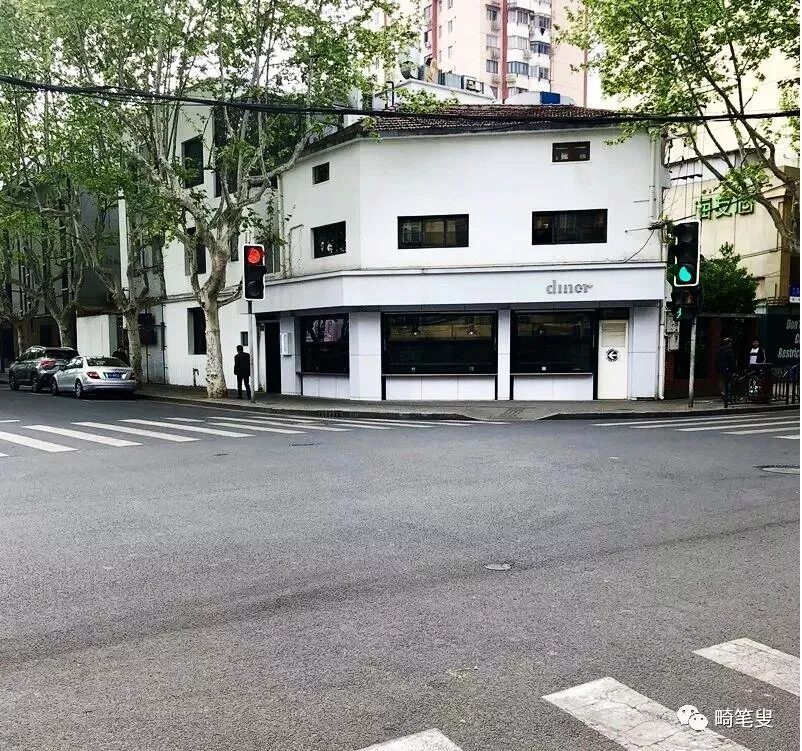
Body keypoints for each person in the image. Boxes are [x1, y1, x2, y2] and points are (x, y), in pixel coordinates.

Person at [716, 337, 737, 405]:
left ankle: (723, 392)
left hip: (720, 369)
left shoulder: (719, 350)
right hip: (728, 369)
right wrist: (734, 369)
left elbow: (717, 359)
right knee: (729, 382)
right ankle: (727, 395)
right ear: (729, 343)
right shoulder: (729, 350)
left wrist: (718, 368)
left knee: (721, 381)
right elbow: (732, 360)